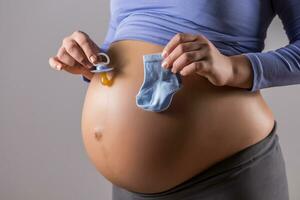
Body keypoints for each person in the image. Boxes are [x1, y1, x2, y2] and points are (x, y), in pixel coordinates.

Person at [48, 0, 300, 199]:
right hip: (129, 188)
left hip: (224, 175)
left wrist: (233, 68)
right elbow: (123, 34)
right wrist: (89, 60)